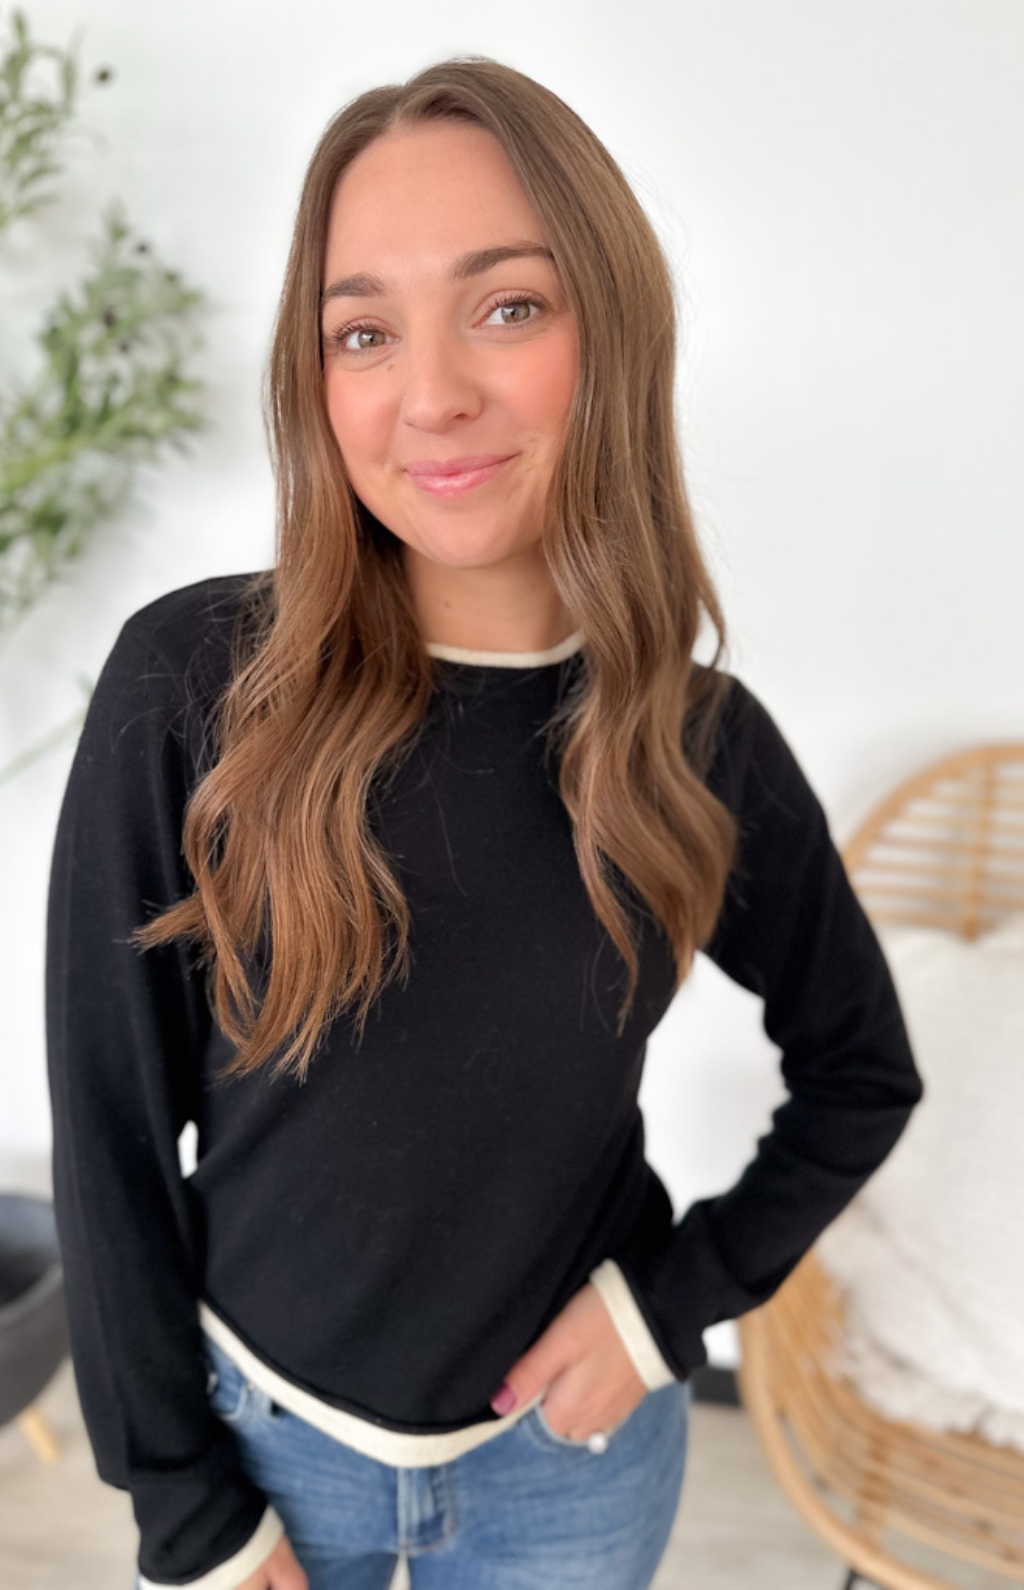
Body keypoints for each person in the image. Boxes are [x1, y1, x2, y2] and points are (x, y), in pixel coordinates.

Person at [44, 55, 924, 1590]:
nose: (432, 393)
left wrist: (663, 1308)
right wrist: (187, 1507)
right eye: (364, 330)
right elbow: (109, 1129)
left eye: (508, 306)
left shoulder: (697, 741)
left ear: (610, 329)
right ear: (316, 379)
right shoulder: (192, 684)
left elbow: (864, 1070)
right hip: (262, 1451)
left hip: (570, 1470)